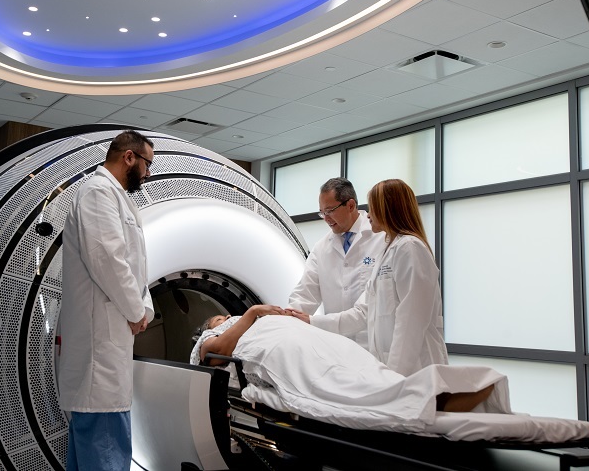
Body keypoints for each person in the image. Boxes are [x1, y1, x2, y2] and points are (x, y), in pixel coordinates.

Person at [190, 310, 499, 433]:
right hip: (279, 346)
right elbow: (216, 356)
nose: (226, 315)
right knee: (334, 379)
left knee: (357, 364)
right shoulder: (215, 336)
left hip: (307, 337)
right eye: (219, 318)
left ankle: (409, 391)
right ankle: (420, 400)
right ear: (210, 329)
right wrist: (255, 313)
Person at [57, 130, 156, 471]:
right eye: (147, 164)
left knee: (91, 445)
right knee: (103, 443)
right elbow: (108, 259)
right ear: (129, 157)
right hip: (100, 344)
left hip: (109, 339)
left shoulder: (111, 196)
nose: (147, 173)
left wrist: (144, 307)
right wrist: (135, 310)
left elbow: (133, 266)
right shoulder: (97, 193)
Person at [289, 179, 448, 377]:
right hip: (372, 362)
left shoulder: (408, 247)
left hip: (412, 368)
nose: (369, 214)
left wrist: (394, 378)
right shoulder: (387, 251)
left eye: (373, 208)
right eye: (323, 212)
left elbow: (410, 324)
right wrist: (294, 319)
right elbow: (363, 312)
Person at [287, 178, 387, 347]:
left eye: (330, 211)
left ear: (350, 205)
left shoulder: (382, 238)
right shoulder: (321, 248)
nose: (325, 218)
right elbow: (305, 294)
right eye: (322, 213)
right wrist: (286, 319)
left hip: (375, 344)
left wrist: (312, 321)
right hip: (337, 346)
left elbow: (369, 308)